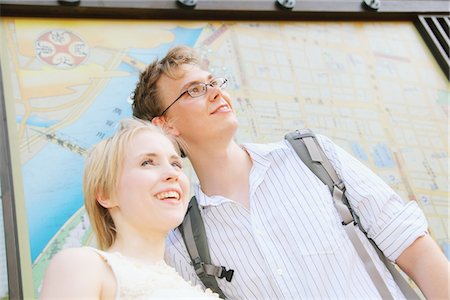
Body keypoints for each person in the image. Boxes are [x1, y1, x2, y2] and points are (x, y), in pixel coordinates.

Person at [131, 46, 449, 299]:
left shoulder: (313, 158)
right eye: (194, 90)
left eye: (214, 83)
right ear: (165, 125)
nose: (216, 93)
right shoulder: (183, 244)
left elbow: (417, 252)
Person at [40, 118, 219, 299]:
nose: (172, 173)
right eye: (147, 162)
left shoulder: (190, 281)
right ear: (105, 194)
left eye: (175, 164)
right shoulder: (82, 266)